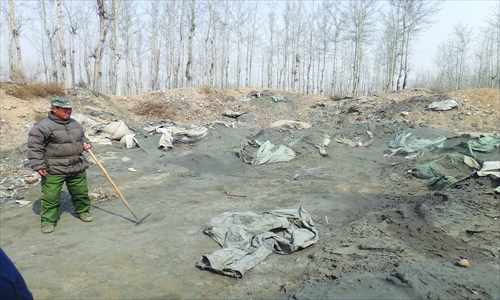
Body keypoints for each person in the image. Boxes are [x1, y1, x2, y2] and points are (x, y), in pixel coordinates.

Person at [27, 97, 93, 234]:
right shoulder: (42, 126)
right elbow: (34, 147)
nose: (68, 111)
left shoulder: (75, 123)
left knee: (81, 193)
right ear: (54, 109)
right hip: (54, 169)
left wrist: (86, 144)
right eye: (65, 109)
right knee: (51, 197)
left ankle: (83, 211)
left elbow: (82, 138)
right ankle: (48, 221)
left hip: (76, 166)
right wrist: (39, 165)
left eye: (70, 109)